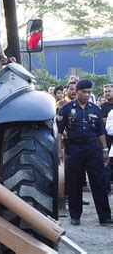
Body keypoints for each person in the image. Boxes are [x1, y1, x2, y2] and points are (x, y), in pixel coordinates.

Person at [56, 79, 112, 226]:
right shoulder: (67, 109)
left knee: (98, 182)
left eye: (89, 92)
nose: (87, 95)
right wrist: (59, 150)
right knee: (74, 182)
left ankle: (105, 217)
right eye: (84, 92)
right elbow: (59, 132)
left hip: (93, 148)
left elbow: (101, 131)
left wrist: (105, 150)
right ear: (77, 92)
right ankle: (75, 215)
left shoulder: (95, 109)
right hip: (74, 149)